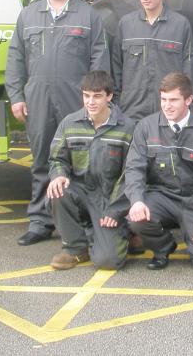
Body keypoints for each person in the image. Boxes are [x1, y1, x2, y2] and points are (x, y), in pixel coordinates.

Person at [5, 0, 109, 246]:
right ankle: (40, 221)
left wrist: (96, 102)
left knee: (80, 160)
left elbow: (100, 63)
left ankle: (81, 219)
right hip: (37, 98)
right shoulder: (28, 15)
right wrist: (16, 96)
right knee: (41, 159)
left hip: (75, 99)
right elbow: (15, 59)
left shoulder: (88, 17)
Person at [124, 72, 193, 271]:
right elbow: (134, 168)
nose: (167, 105)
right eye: (163, 99)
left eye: (173, 100)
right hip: (161, 197)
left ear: (189, 100)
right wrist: (137, 200)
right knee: (136, 218)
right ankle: (163, 247)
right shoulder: (146, 127)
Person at [47, 70, 135, 271]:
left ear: (109, 96)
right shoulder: (69, 124)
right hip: (80, 193)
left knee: (108, 262)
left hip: (109, 198)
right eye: (86, 96)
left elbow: (131, 174)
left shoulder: (126, 128)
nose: (91, 102)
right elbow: (56, 158)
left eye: (97, 96)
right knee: (57, 191)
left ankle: (126, 232)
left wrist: (116, 210)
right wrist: (58, 175)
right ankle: (75, 248)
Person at [112, 0, 193, 120]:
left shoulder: (180, 25)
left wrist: (190, 105)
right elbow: (116, 67)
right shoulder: (126, 24)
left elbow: (188, 68)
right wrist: (116, 104)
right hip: (131, 110)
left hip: (168, 111)